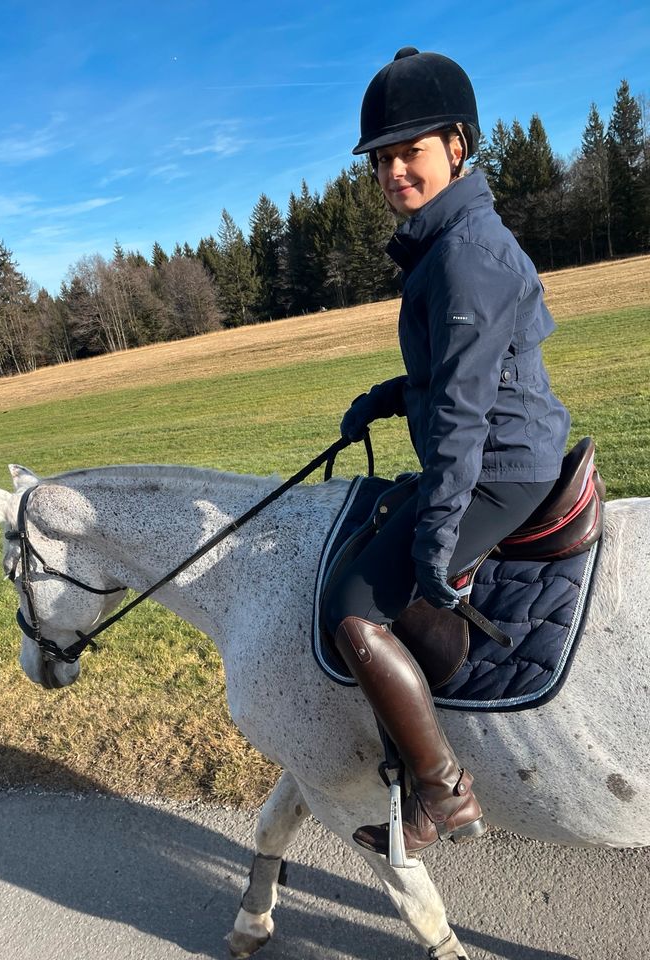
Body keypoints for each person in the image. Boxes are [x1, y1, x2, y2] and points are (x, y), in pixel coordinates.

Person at [323, 47, 571, 856]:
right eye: (384, 158)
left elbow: (466, 412)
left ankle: (441, 795)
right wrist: (390, 396)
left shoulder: (464, 255)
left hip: (499, 466)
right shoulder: (450, 239)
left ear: (458, 147)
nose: (396, 170)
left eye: (412, 152)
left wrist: (439, 543)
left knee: (354, 605)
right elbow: (455, 373)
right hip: (499, 443)